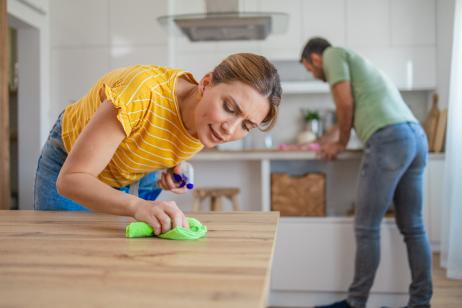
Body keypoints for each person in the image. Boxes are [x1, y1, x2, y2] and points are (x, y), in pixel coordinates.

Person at [34, 53, 282, 236]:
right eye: (229, 108)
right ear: (205, 84)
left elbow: (164, 132)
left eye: (246, 126)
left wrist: (173, 167)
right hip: (70, 166)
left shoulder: (208, 121)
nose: (230, 129)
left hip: (126, 179)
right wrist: (137, 206)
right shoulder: (141, 92)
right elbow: (71, 179)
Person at [300, 38, 432, 308]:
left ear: (315, 58)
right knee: (414, 227)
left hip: (390, 139)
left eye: (309, 69)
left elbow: (345, 105)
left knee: (366, 226)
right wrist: (328, 138)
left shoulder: (333, 55)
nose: (314, 75)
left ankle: (355, 303)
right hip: (415, 137)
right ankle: (421, 303)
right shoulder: (358, 65)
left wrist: (339, 143)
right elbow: (346, 112)